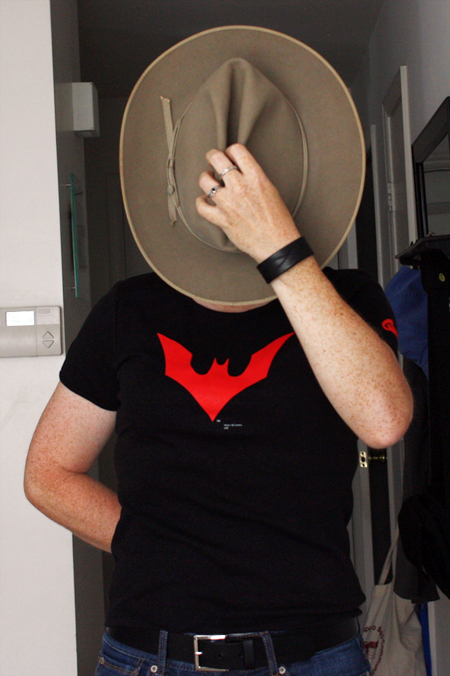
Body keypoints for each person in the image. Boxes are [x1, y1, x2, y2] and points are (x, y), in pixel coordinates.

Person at [24, 27, 413, 676]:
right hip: (154, 655)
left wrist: (279, 250)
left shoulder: (347, 298)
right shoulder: (129, 310)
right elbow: (48, 472)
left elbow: (383, 421)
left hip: (313, 655)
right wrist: (158, 550)